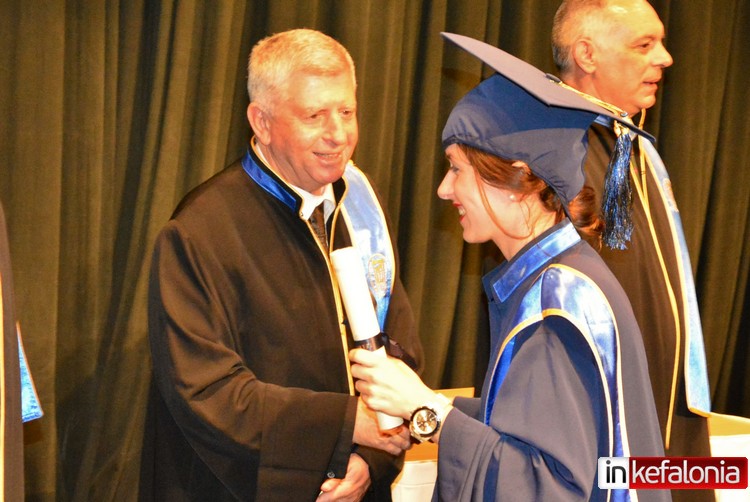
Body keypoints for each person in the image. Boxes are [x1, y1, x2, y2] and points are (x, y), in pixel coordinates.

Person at [350, 34, 668, 501]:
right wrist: (429, 401)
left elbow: (547, 486)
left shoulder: (558, 301)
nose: (443, 189)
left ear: (516, 179)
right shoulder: (555, 275)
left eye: (456, 168)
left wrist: (427, 413)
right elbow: (528, 425)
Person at [139, 28, 423, 501]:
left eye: (347, 112)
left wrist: (368, 462)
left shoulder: (359, 210)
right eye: (314, 116)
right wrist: (348, 427)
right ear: (262, 122)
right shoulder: (200, 232)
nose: (338, 135)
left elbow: (400, 352)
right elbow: (208, 393)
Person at [551, 2, 714, 492]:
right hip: (598, 428)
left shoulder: (635, 147)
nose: (665, 58)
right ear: (587, 54)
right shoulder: (556, 153)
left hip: (667, 415)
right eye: (644, 45)